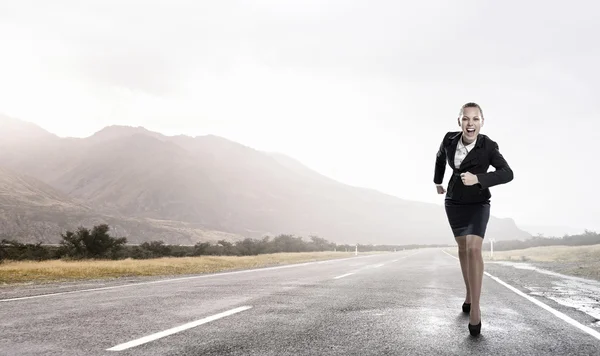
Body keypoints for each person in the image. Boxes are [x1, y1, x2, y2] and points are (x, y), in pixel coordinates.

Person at [433, 102, 514, 336]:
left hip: (478, 202)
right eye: (466, 119)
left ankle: (476, 308)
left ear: (482, 122)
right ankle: (468, 294)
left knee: (474, 248)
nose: (471, 124)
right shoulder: (449, 140)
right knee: (462, 248)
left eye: (475, 119)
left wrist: (479, 178)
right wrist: (438, 181)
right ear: (459, 121)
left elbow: (507, 173)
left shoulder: (488, 146)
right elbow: (439, 158)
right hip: (454, 200)